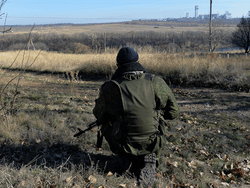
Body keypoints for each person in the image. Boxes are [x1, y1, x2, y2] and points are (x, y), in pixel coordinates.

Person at [93, 47, 179, 187]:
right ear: (139, 62)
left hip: (123, 142)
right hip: (153, 141)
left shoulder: (110, 87)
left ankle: (126, 157)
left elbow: (98, 114)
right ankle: (149, 157)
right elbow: (174, 113)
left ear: (118, 66)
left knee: (105, 124)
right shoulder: (155, 82)